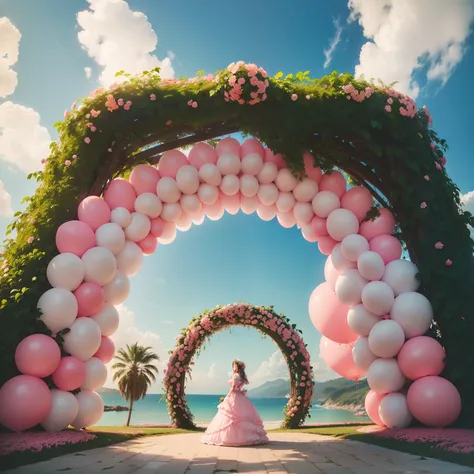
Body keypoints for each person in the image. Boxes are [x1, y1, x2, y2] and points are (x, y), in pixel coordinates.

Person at [201, 359, 269, 446]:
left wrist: (228, 395)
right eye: (233, 366)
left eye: (234, 366)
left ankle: (230, 438)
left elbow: (234, 387)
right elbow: (239, 387)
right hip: (240, 397)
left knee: (231, 416)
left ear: (237, 367)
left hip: (234, 396)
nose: (233, 367)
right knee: (239, 416)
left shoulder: (235, 376)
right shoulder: (241, 376)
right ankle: (243, 437)